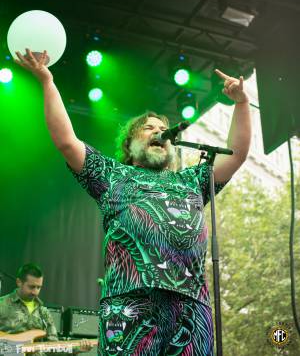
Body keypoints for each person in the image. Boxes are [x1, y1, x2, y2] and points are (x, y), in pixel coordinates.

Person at [15, 49, 251, 355]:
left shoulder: (191, 180)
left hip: (191, 308)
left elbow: (237, 154)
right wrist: (47, 81)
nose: (157, 131)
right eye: (148, 127)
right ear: (129, 143)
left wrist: (242, 103)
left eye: (161, 128)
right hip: (129, 306)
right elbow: (66, 141)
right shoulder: (112, 175)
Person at [0, 263, 92, 353]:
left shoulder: (43, 312)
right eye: (31, 287)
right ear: (19, 282)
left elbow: (54, 347)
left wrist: (76, 349)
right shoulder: (2, 304)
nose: (35, 292)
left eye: (38, 287)